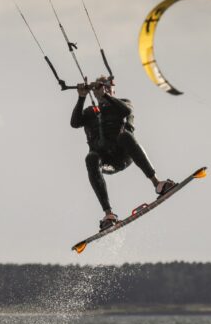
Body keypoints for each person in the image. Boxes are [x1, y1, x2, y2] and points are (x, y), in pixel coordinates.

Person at [71, 76, 175, 231]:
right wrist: (81, 97)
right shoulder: (90, 112)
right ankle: (108, 215)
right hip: (106, 162)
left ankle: (158, 184)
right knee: (91, 157)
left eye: (107, 87)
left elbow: (125, 111)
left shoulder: (124, 103)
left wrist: (105, 95)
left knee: (125, 135)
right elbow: (75, 123)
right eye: (101, 88)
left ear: (113, 89)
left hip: (124, 156)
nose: (104, 90)